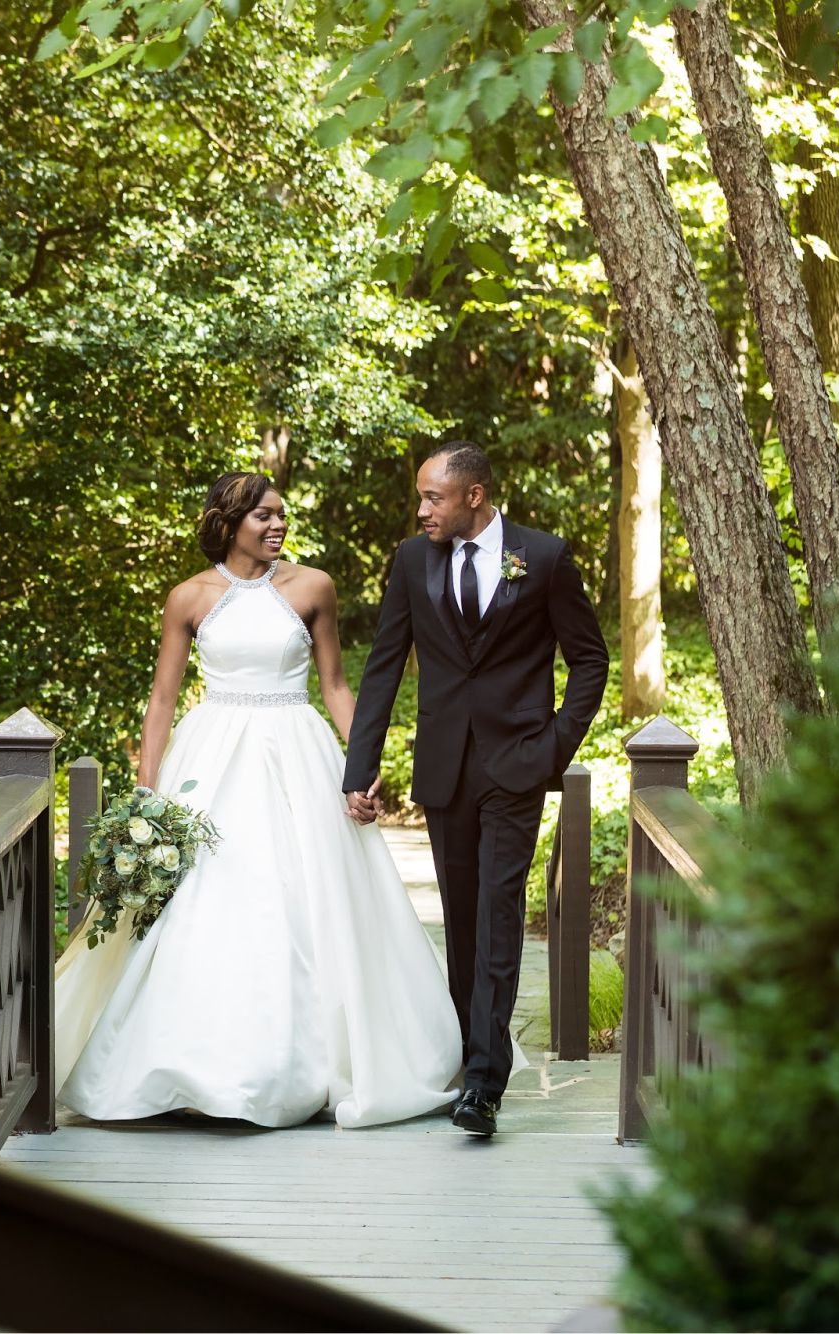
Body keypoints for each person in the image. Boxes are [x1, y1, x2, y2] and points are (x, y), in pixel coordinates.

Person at [54, 471, 462, 1129]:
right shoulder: (189, 597)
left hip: (296, 750)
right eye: (263, 517)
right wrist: (147, 796)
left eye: (281, 516)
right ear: (228, 521)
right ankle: (183, 1068)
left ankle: (314, 1067)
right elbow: (162, 700)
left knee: (305, 897)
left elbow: (333, 685)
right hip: (209, 755)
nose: (277, 526)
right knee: (203, 903)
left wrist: (362, 766)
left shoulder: (312, 587)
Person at [343, 442, 607, 1138]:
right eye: (421, 497)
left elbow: (589, 660)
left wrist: (554, 745)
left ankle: (485, 1087)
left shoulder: (544, 558)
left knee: (498, 911)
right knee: (462, 921)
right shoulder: (411, 561)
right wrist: (359, 768)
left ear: (476, 496)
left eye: (433, 497)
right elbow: (383, 666)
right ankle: (470, 1056)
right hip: (444, 767)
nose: (421, 509)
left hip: (517, 764)